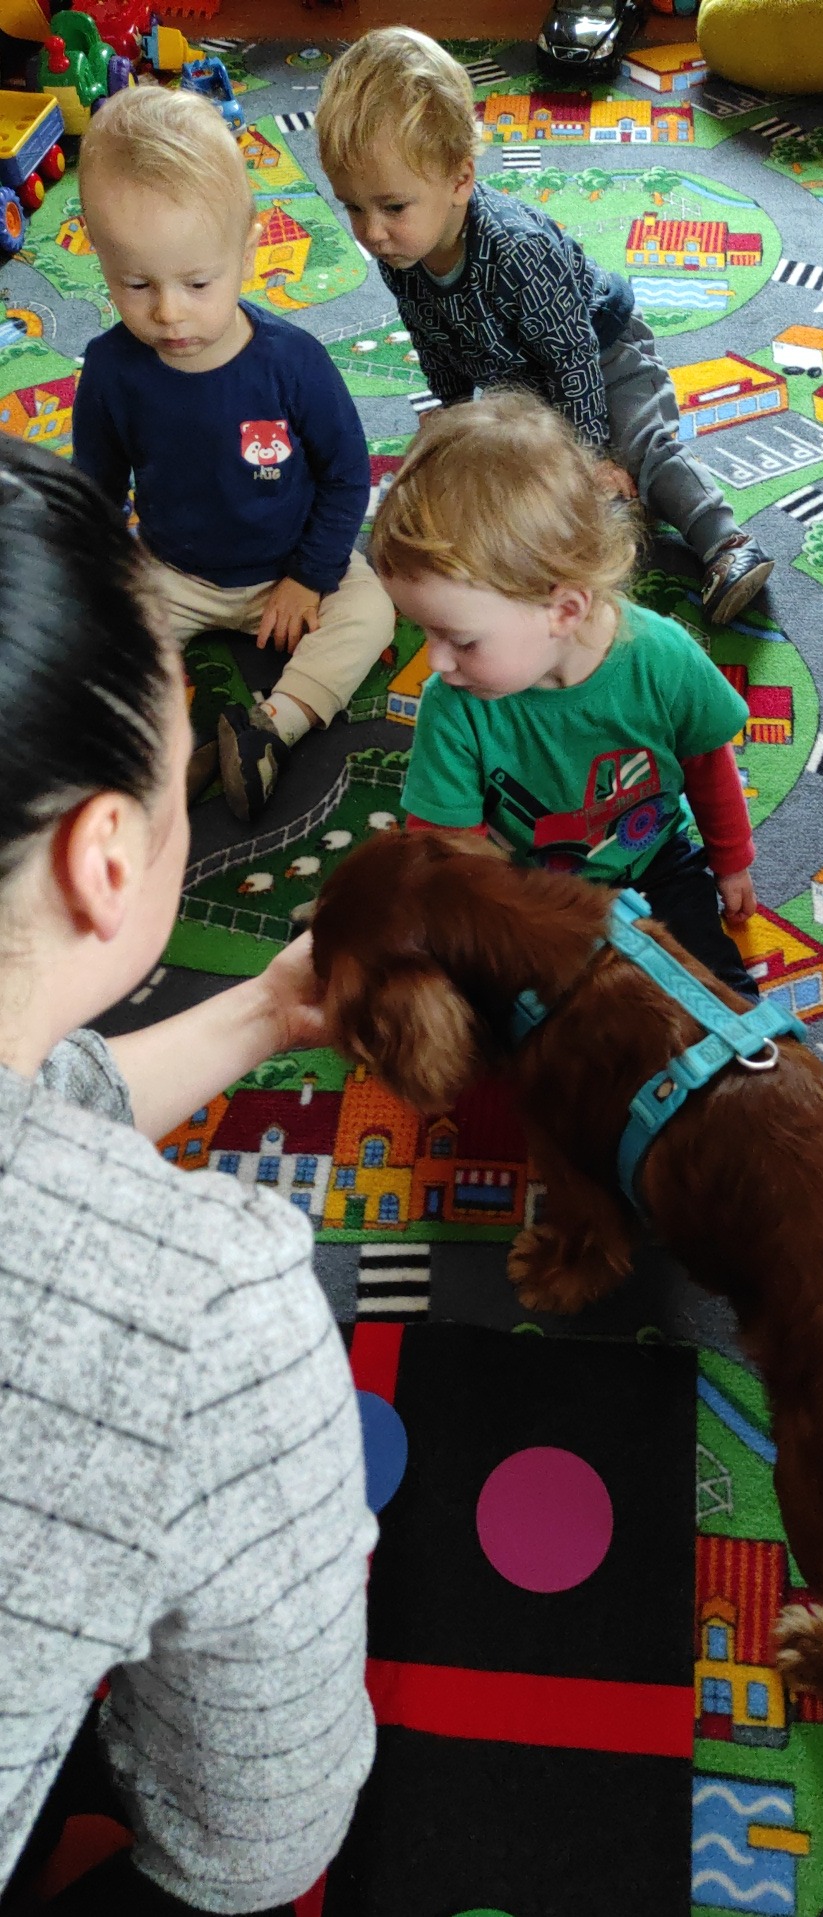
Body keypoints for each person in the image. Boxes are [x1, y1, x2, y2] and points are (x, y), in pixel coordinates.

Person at [0, 435, 376, 1914]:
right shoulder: (203, 1313)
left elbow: (39, 1117)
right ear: (107, 857)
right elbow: (257, 1829)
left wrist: (267, 1009)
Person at [315, 26, 774, 629]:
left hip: (602, 352)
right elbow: (433, 338)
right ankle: (602, 526)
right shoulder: (401, 254)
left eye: (392, 207)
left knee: (640, 447)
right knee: (509, 492)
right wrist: (454, 416)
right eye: (353, 207)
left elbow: (575, 360)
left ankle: (726, 544)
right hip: (517, 377)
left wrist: (587, 457)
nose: (371, 232)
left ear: (459, 178)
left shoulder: (518, 250)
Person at [72, 85, 396, 823]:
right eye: (135, 283)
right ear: (101, 258)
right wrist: (104, 572)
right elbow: (95, 485)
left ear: (247, 250)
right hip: (174, 570)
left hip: (288, 566)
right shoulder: (112, 369)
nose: (168, 311)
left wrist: (310, 579)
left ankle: (267, 728)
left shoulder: (293, 363)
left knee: (371, 609)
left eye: (197, 282)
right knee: (94, 638)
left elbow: (349, 473)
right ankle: (147, 755)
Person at [370, 389, 761, 998]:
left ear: (564, 609)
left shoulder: (661, 657)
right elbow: (445, 845)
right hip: (529, 888)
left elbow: (708, 764)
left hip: (656, 860)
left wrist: (730, 856)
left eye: (460, 639)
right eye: (423, 630)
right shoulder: (454, 706)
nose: (436, 660)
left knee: (717, 990)